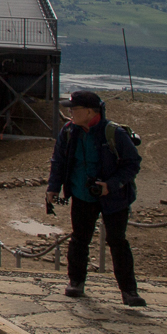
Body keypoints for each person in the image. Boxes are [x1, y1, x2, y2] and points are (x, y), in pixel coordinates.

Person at [45, 90, 145, 306]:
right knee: (80, 239)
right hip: (82, 194)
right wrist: (53, 187)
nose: (70, 112)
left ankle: (129, 291)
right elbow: (58, 161)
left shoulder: (114, 133)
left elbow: (133, 163)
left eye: (74, 109)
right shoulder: (69, 131)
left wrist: (111, 185)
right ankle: (76, 283)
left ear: (90, 111)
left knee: (117, 242)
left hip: (114, 198)